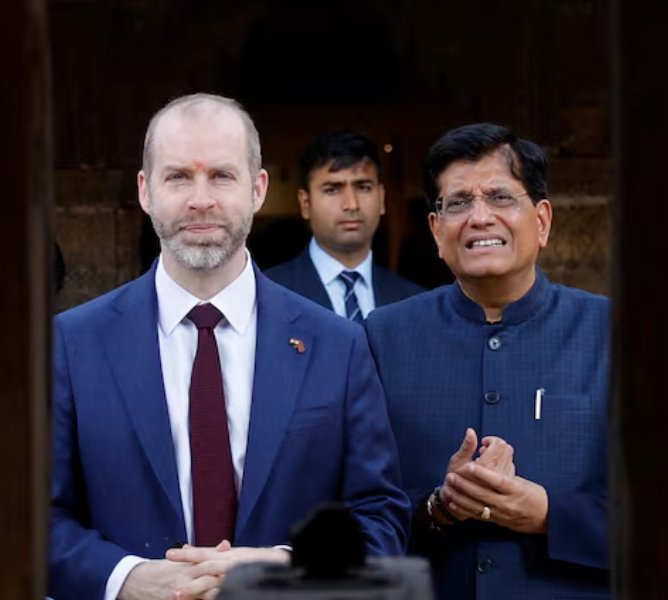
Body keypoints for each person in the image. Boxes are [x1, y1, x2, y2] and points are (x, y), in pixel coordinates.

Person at [48, 93, 410, 600]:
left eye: (221, 175)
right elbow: (38, 518)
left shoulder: (338, 346)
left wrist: (288, 568)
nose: (201, 199)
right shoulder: (72, 343)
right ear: (145, 191)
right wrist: (127, 578)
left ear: (258, 189)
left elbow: (381, 519)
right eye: (178, 176)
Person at [365, 123, 610, 600]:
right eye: (458, 202)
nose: (480, 217)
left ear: (542, 221)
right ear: (437, 231)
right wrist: (438, 507)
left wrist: (547, 514)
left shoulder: (612, 334)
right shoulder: (383, 336)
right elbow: (358, 501)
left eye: (500, 197)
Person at [265, 132, 423, 323]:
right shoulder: (266, 296)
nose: (351, 204)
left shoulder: (415, 303)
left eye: (363, 187)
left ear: (382, 199)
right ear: (305, 204)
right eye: (332, 190)